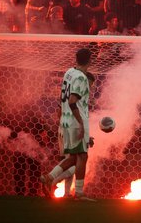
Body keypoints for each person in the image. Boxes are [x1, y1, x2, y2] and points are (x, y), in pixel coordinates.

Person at [41, 48, 95, 200]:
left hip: (65, 120)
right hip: (75, 121)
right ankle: (79, 192)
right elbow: (72, 101)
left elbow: (62, 98)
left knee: (72, 157)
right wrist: (81, 124)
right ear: (90, 61)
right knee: (82, 156)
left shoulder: (69, 72)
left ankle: (49, 177)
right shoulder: (82, 78)